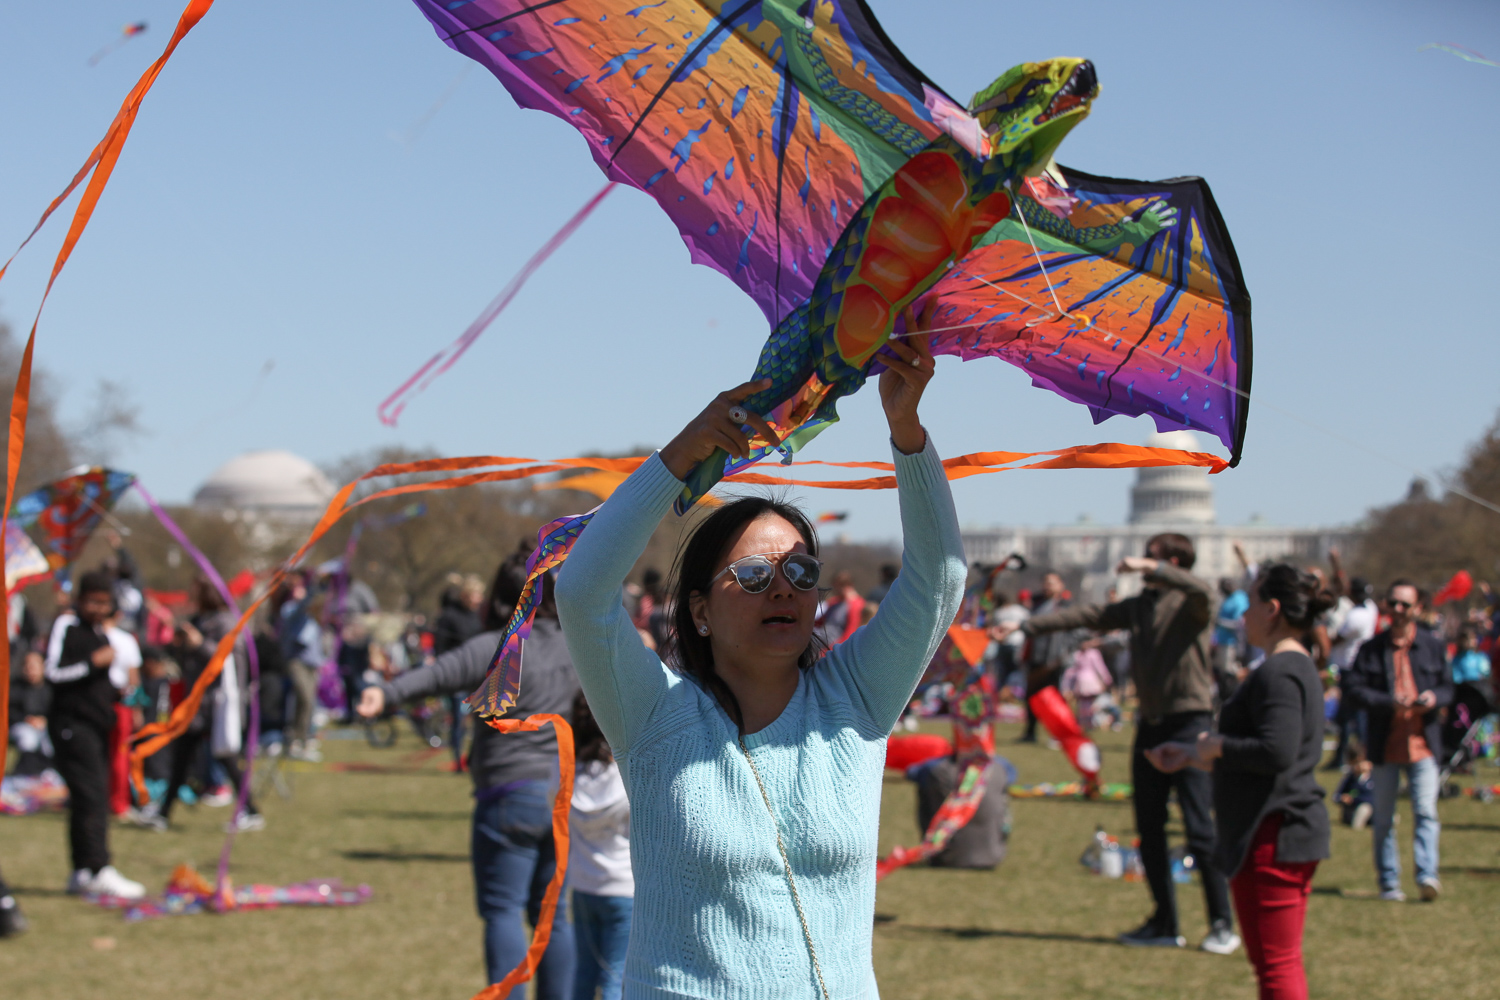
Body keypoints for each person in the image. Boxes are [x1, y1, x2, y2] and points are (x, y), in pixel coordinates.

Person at [553, 320, 965, 999]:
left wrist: (906, 427)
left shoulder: (856, 703)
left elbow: (939, 583)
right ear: (700, 611)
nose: (782, 587)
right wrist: (681, 455)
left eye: (801, 572)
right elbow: (582, 589)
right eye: (751, 574)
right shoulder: (653, 713)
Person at [996, 534, 1237, 953]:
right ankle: (1165, 921)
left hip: (1189, 723)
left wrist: (1153, 570)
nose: (1142, 562)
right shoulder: (1140, 606)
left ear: (1174, 563)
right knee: (1149, 826)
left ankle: (1221, 924)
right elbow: (1087, 614)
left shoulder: (1190, 604)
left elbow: (1204, 590)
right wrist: (1025, 625)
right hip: (1151, 724)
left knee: (1199, 827)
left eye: (1153, 557)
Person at [359, 553, 580, 996]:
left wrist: (383, 694)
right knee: (551, 917)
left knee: (503, 911)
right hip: (563, 799)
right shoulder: (576, 645)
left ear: (499, 597)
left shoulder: (498, 647)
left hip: (509, 795)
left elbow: (436, 674)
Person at [1147, 563, 1332, 1000]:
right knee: (1275, 962)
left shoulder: (1281, 671)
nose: (1242, 616)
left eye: (1249, 605)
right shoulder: (1290, 667)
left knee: (1276, 965)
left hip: (1273, 831)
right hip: (1274, 826)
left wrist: (1216, 747)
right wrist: (1194, 756)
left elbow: (1276, 751)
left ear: (1271, 610)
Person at [1342, 580, 1451, 901]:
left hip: (1423, 743)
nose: (1398, 610)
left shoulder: (1432, 646)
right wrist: (1387, 701)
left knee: (1425, 812)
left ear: (1418, 609)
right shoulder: (1371, 649)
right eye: (1393, 603)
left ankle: (1426, 875)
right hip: (1385, 743)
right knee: (1384, 818)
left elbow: (1448, 687)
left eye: (1405, 604)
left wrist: (1432, 698)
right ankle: (1390, 882)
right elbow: (1354, 688)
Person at [43, 571, 146, 898]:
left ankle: (82, 870)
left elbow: (98, 681)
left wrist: (118, 691)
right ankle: (99, 867)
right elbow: (54, 672)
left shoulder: (101, 632)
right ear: (80, 599)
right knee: (92, 796)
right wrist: (92, 663)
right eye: (93, 602)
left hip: (97, 725)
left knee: (90, 797)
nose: (99, 608)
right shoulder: (67, 626)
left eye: (105, 603)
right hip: (73, 725)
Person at [136, 578, 263, 833]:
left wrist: (198, 643)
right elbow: (183, 659)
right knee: (182, 756)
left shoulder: (227, 622)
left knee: (226, 756)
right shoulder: (198, 621)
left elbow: (224, 658)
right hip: (196, 702)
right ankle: (163, 813)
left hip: (219, 702)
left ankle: (251, 810)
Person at [569, 691, 633, 1000]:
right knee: (614, 975)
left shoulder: (566, 775)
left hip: (583, 886)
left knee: (583, 972)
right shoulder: (627, 777)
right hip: (623, 890)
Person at [433, 574, 486, 769]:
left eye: (480, 595)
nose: (478, 599)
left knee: (480, 719)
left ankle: (472, 758)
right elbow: (440, 646)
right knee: (458, 719)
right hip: (457, 676)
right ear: (466, 595)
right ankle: (457, 758)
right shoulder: (450, 616)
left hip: (479, 675)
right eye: (475, 595)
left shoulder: (480, 615)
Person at [1015, 570, 1074, 743]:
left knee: (1054, 698)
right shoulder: (1037, 604)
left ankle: (1057, 734)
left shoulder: (1066, 606)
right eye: (1045, 582)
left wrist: (1064, 652)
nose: (1048, 586)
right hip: (1035, 659)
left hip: (1056, 661)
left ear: (1061, 585)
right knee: (1032, 697)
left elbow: (1077, 633)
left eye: (1052, 582)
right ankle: (1030, 733)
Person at [1324, 577, 1377, 770]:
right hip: (1356, 667)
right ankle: (1354, 755)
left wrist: (1323, 638)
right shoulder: (1371, 608)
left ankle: (1345, 758)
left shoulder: (1357, 615)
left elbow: (1337, 639)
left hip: (1350, 667)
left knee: (1348, 717)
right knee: (1355, 715)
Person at [274, 572, 324, 762]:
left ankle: (304, 739)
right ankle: (297, 740)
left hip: (312, 663)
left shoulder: (312, 615)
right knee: (304, 698)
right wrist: (312, 588)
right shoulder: (288, 609)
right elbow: (302, 606)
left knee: (310, 703)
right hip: (296, 661)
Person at [9, 650, 54, 776]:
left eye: (34, 665)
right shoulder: (15, 688)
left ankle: (49, 773)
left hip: (46, 726)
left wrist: (44, 720)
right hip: (21, 725)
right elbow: (9, 713)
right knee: (28, 738)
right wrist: (27, 719)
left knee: (50, 741)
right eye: (28, 665)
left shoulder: (51, 688)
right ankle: (26, 774)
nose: (31, 669)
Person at [1212, 577, 1248, 700]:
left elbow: (1240, 624)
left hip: (1232, 643)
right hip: (1221, 642)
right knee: (1221, 673)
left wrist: (1220, 622)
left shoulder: (1239, 599)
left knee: (1231, 674)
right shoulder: (1227, 599)